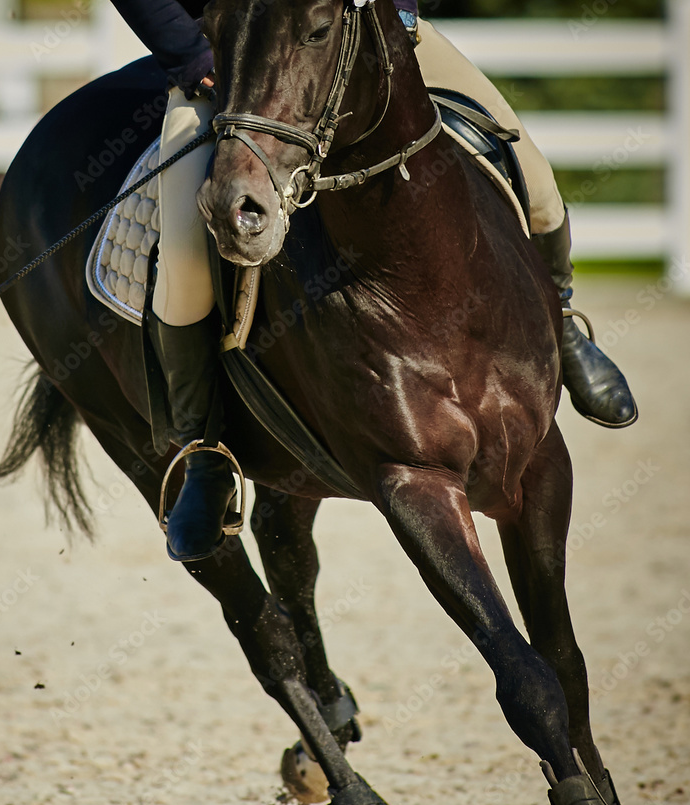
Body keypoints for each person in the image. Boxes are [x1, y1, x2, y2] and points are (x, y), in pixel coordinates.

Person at [109, 0, 638, 562]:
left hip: (365, 33)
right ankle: (206, 452)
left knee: (535, 177)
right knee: (188, 255)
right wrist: (191, 55)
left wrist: (398, 11)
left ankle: (563, 325)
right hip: (231, 51)